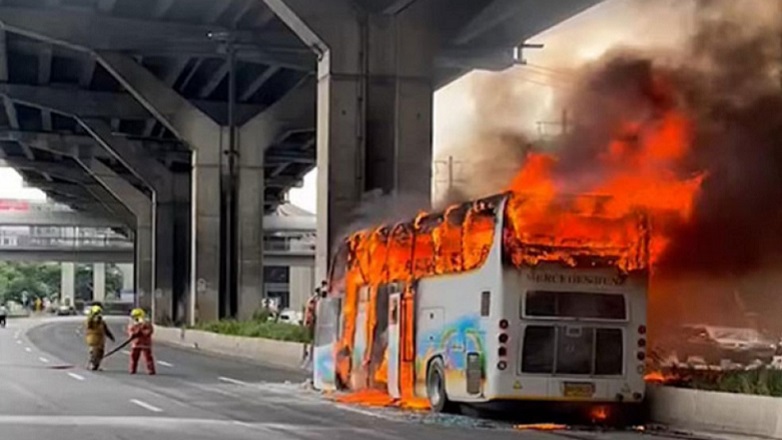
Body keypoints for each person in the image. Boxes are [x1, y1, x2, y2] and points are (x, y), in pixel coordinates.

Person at [85, 305, 115, 371]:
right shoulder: (90, 321)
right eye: (96, 313)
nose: (98, 315)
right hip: (93, 339)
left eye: (99, 313)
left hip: (101, 340)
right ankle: (93, 364)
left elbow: (106, 330)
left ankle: (96, 365)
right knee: (94, 352)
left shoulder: (102, 322)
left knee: (100, 353)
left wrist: (111, 337)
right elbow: (88, 325)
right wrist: (93, 319)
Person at [128, 308, 155, 375]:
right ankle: (132, 369)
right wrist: (137, 330)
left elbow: (148, 332)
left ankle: (151, 370)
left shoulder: (147, 324)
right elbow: (131, 333)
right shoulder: (133, 324)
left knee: (148, 357)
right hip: (136, 343)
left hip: (145, 344)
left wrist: (142, 328)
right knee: (134, 357)